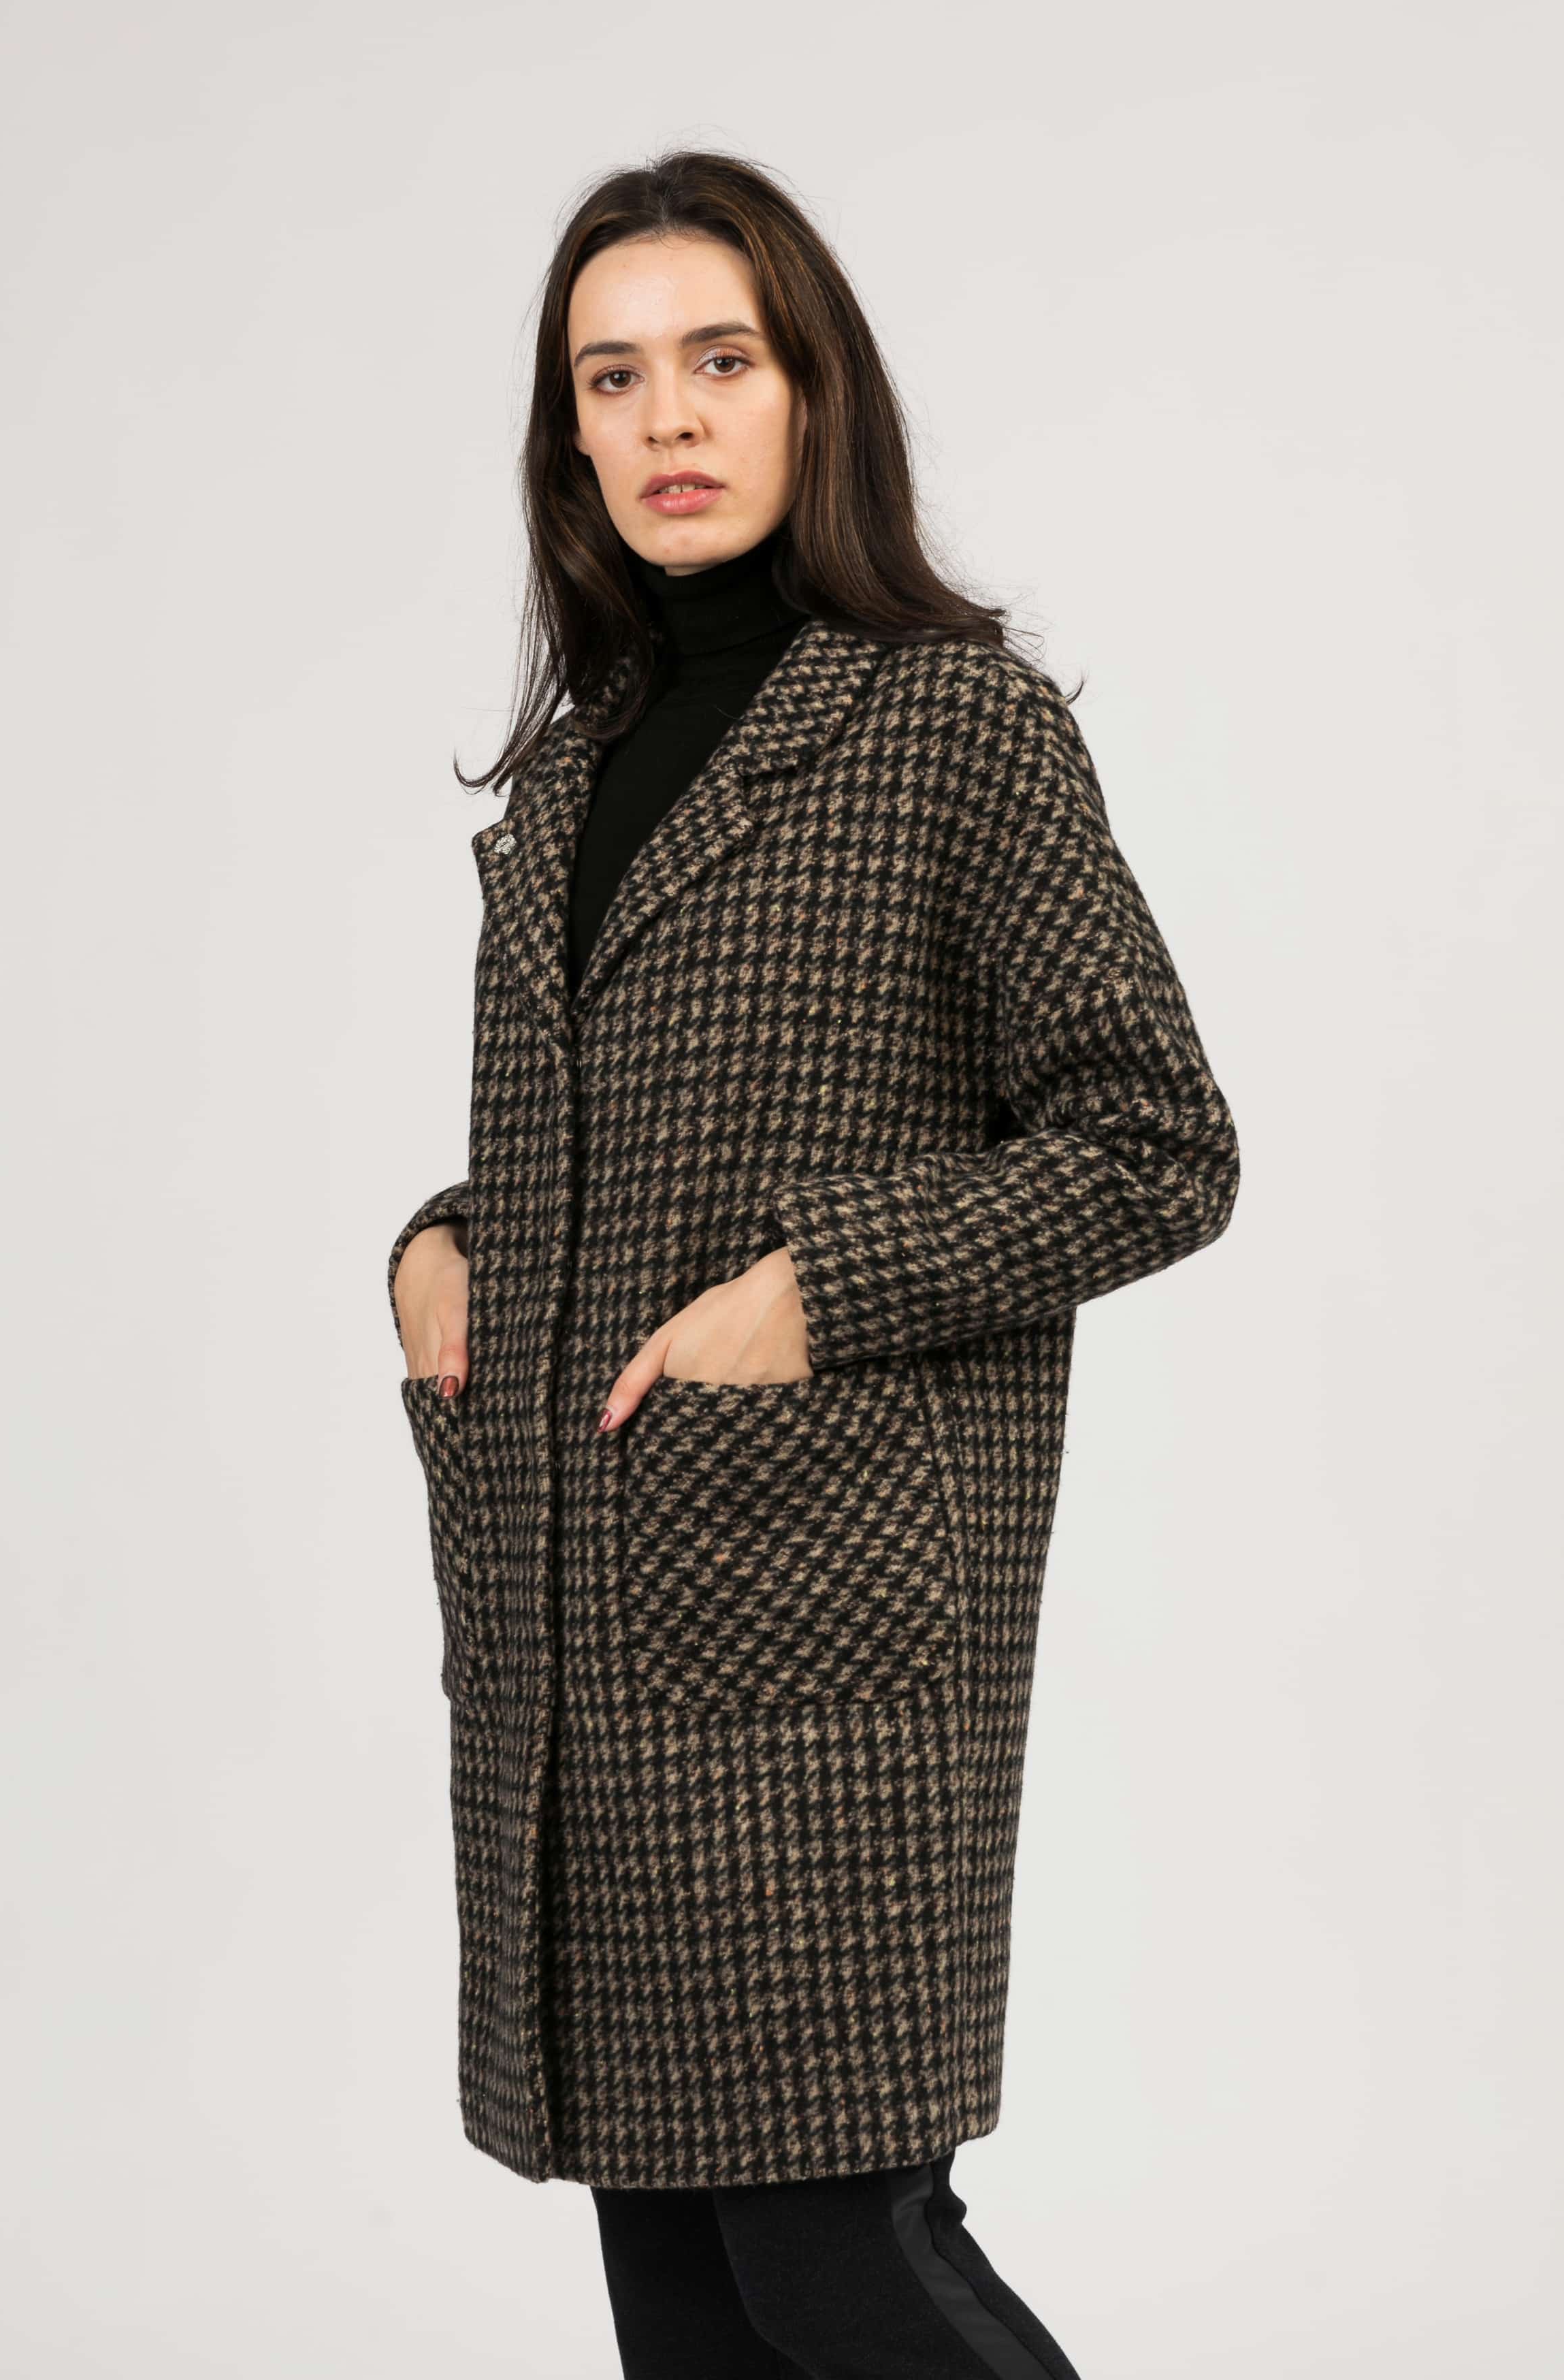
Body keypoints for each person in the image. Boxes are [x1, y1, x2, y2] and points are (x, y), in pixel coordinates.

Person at [389, 148, 1240, 2377]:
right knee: (688, 2312)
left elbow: (1159, 1144)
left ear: (812, 395)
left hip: (826, 1646)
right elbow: (631, 1151)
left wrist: (817, 1296)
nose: (668, 417)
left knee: (836, 2266)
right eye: (613, 376)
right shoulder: (567, 779)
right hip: (584, 1650)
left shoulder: (953, 725)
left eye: (721, 360)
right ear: (568, 435)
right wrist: (446, 1242)